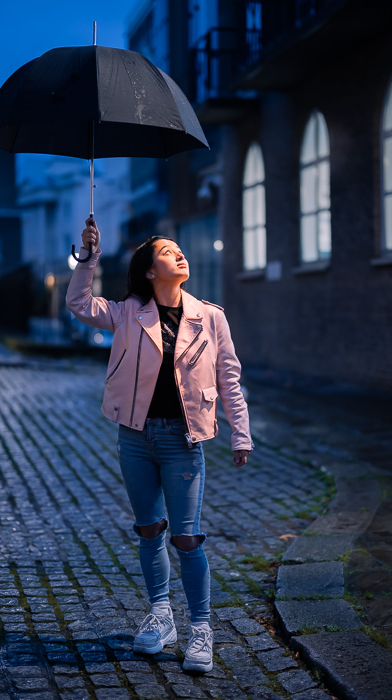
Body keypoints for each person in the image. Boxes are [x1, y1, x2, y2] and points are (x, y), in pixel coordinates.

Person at [66, 219, 253, 673]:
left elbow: (228, 376)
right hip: (134, 437)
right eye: (167, 251)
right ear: (150, 271)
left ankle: (202, 629)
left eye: (178, 250)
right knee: (149, 528)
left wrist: (240, 431)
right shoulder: (128, 312)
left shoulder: (210, 316)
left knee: (187, 536)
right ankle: (161, 615)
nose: (179, 254)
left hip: (182, 440)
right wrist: (88, 257)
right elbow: (78, 303)